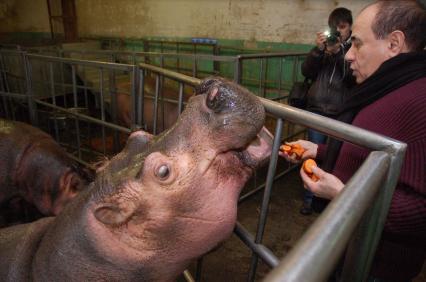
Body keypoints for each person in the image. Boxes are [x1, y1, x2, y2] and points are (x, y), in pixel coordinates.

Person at [281, 0, 426, 280]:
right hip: (351, 247)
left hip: (376, 266)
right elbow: (375, 153)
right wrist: (321, 151)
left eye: (357, 43)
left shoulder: (420, 100)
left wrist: (344, 195)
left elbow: (421, 209)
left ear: (394, 43)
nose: (349, 56)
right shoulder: (386, 86)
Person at [299, 7, 356, 215]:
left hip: (339, 113)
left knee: (333, 157)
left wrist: (340, 52)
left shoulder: (353, 51)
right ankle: (308, 198)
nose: (338, 32)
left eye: (342, 27)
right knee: (311, 156)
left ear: (350, 28)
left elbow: (352, 79)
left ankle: (327, 199)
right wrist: (318, 51)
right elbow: (306, 71)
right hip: (316, 109)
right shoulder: (323, 49)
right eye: (335, 28)